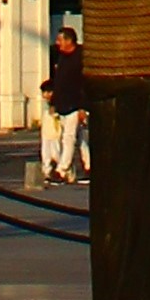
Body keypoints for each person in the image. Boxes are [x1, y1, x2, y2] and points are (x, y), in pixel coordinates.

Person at [38, 16, 87, 185]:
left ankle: (61, 169)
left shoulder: (81, 57)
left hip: (75, 104)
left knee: (69, 138)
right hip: (63, 105)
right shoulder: (61, 57)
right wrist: (53, 103)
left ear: (69, 41)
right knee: (76, 139)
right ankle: (86, 167)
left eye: (60, 40)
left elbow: (84, 84)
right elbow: (59, 81)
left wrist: (82, 107)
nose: (57, 43)